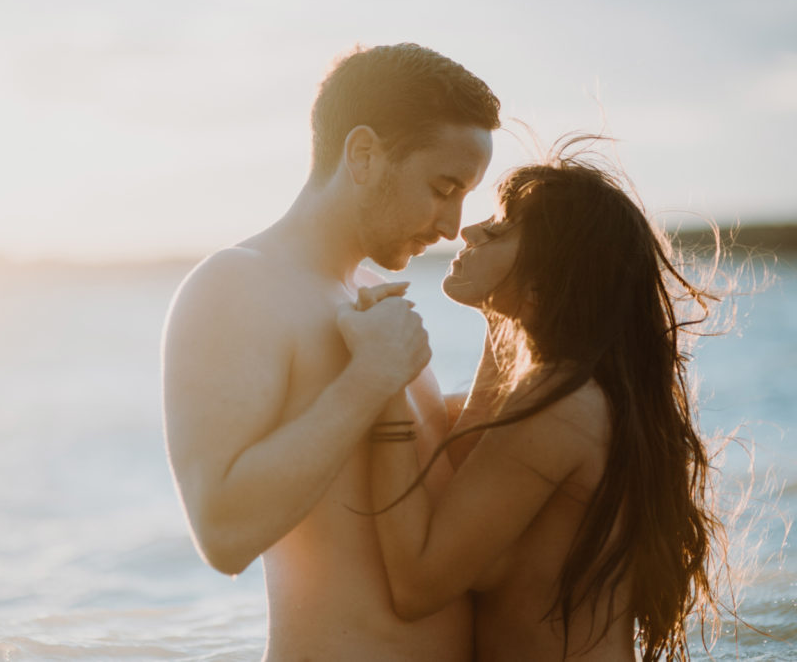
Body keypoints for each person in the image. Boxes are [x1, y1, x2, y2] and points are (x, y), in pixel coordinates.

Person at [161, 43, 499, 660]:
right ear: (364, 154)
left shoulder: (371, 296)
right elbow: (223, 532)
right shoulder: (237, 285)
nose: (453, 225)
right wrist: (369, 378)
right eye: (443, 187)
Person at [366, 136, 724, 661]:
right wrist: (497, 315)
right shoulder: (572, 391)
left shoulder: (558, 404)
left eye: (503, 227)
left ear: (543, 286)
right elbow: (464, 464)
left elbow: (418, 584)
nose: (468, 229)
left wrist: (382, 387)